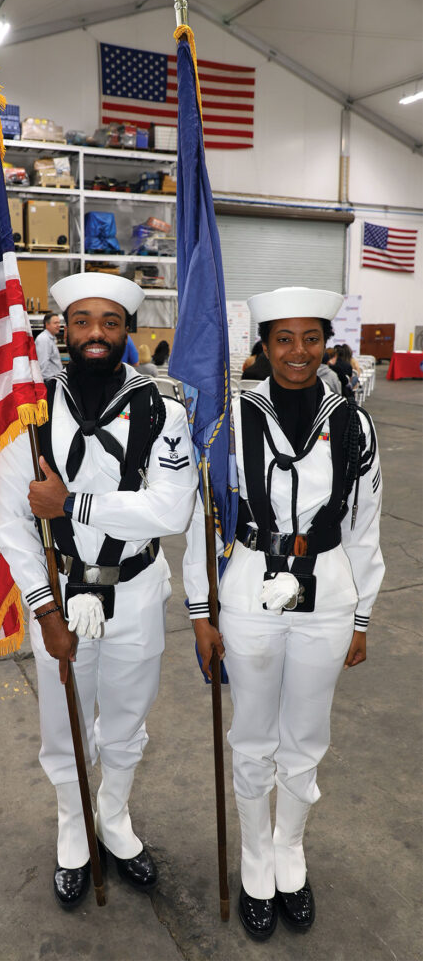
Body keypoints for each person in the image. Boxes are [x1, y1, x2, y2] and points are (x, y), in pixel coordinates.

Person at [0, 272, 197, 910]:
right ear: (64, 329)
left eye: (110, 323)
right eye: (83, 322)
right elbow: (12, 520)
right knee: (64, 728)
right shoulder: (31, 411)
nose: (96, 334)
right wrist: (44, 609)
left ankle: (114, 820)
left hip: (136, 591)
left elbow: (171, 513)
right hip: (59, 592)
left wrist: (71, 502)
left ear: (127, 332)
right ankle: (73, 833)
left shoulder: (164, 408)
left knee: (127, 726)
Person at [183, 286, 384, 941]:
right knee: (251, 739)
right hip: (248, 594)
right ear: (263, 346)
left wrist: (360, 617)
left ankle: (288, 853)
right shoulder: (228, 420)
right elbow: (199, 517)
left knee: (304, 740)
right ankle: (253, 863)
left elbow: (363, 528)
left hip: (325, 594)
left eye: (310, 338)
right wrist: (199, 612)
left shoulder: (352, 421)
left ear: (325, 342)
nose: (298, 352)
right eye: (283, 339)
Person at [35, 311, 64, 379]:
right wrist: (48, 382)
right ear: (47, 325)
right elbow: (43, 364)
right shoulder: (44, 339)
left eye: (59, 323)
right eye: (55, 323)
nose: (58, 325)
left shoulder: (50, 338)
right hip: (49, 380)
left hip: (54, 379)